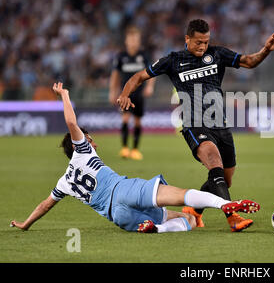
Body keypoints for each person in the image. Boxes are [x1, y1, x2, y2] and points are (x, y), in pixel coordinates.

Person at [10, 82, 260, 233]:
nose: (93, 142)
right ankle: (224, 204)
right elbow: (70, 121)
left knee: (182, 220)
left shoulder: (64, 181)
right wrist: (64, 95)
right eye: (89, 138)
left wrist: (26, 224)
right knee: (179, 196)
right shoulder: (83, 151)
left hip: (116, 215)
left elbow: (45, 204)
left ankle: (161, 228)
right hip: (125, 189)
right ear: (81, 143)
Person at [117, 19, 274, 232]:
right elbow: (139, 76)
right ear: (187, 39)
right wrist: (124, 94)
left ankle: (194, 210)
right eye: (198, 42)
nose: (202, 46)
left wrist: (266, 49)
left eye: (206, 42)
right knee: (214, 162)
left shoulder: (217, 54)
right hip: (194, 125)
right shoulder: (173, 60)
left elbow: (249, 62)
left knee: (223, 179)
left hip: (220, 125)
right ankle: (232, 216)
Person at [109, 25, 156, 160]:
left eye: (136, 39)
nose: (133, 42)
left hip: (139, 93)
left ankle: (135, 149)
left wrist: (149, 87)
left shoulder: (144, 55)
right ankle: (124, 148)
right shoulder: (120, 56)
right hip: (126, 94)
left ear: (139, 41)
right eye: (131, 39)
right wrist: (113, 91)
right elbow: (115, 76)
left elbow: (152, 72)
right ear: (126, 41)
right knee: (125, 118)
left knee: (137, 121)